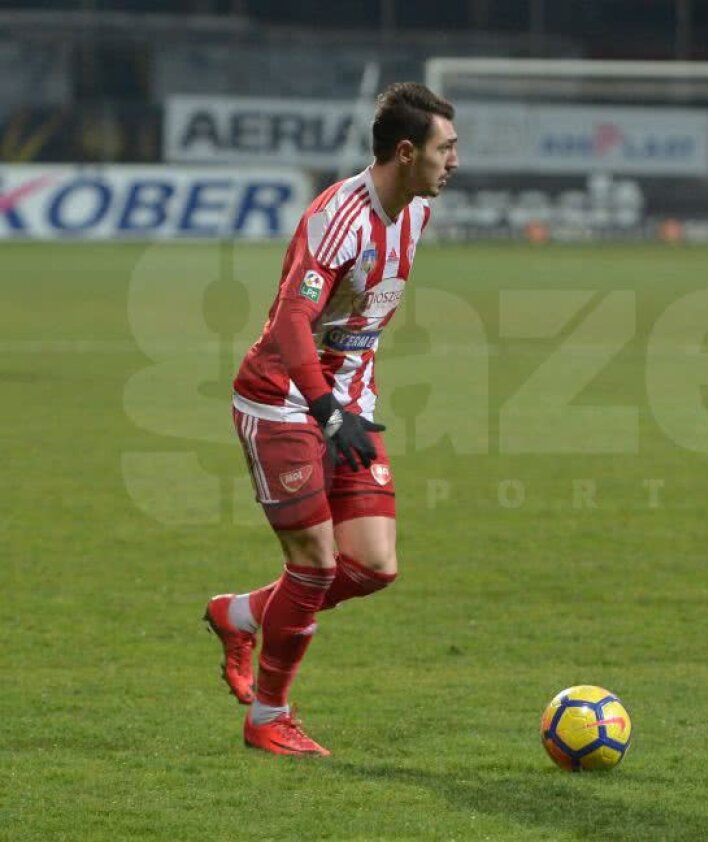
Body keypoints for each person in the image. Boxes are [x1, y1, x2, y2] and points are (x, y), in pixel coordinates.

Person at [203, 82, 459, 755]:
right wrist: (324, 408)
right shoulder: (338, 217)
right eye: (445, 148)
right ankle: (268, 719)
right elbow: (292, 317)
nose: (454, 161)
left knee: (372, 565)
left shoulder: (416, 212)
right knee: (314, 567)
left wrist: (347, 404)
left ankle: (239, 613)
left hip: (349, 405)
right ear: (407, 153)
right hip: (282, 402)